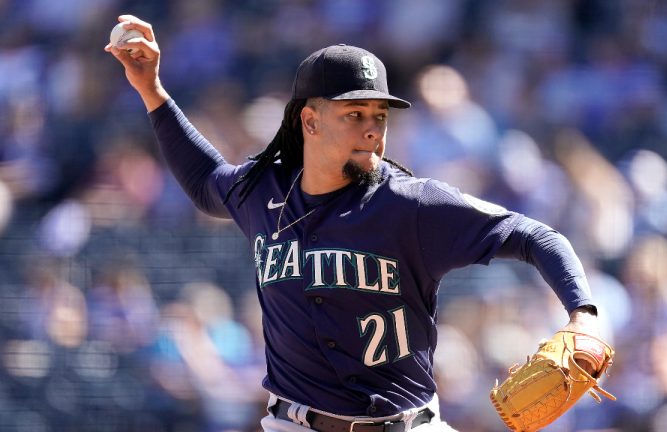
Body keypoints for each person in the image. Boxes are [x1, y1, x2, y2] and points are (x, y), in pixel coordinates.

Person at [106, 14, 606, 432]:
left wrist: (582, 313)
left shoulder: (413, 204)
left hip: (406, 424)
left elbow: (536, 235)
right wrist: (152, 91)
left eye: (380, 116)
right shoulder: (262, 190)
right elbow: (206, 180)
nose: (372, 128)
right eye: (355, 113)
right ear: (310, 121)